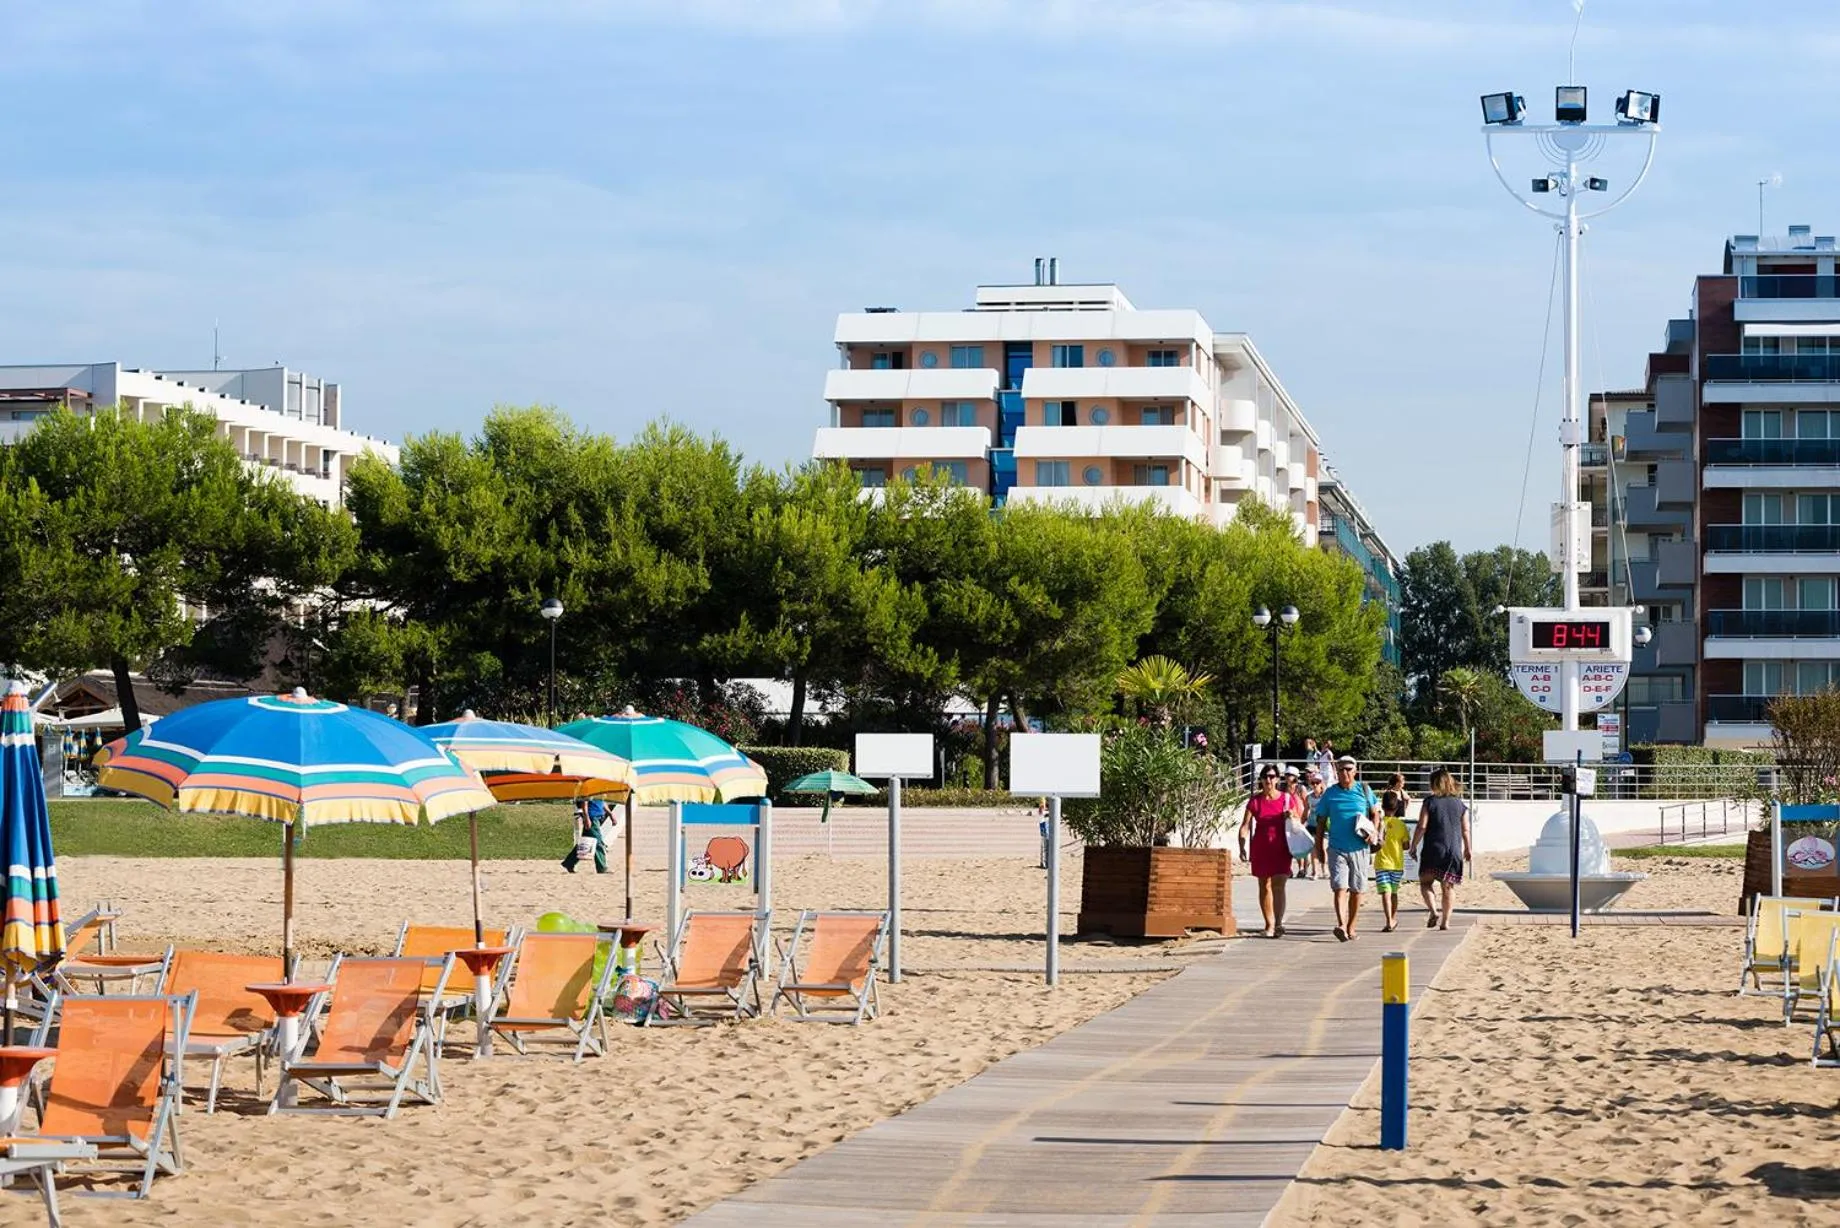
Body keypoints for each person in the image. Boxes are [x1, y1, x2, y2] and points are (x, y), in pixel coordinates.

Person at [1313, 755, 1381, 942]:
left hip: (1360, 847)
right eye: (1341, 769)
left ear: (1355, 771)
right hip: (1336, 847)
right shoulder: (1330, 793)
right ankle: (1341, 924)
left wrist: (1373, 832)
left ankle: (1351, 926)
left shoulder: (1364, 790)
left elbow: (1376, 814)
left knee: (1357, 889)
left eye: (1349, 769)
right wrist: (1319, 846)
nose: (1345, 773)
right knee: (1339, 887)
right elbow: (1320, 822)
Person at [1410, 767, 1471, 931]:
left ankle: (1433, 911)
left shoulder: (1429, 802)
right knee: (1448, 887)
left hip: (1433, 849)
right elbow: (1465, 829)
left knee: (1425, 883)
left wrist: (1413, 845)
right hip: (1453, 850)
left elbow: (1422, 826)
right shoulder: (1460, 804)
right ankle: (1445, 922)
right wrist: (1468, 848)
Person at [1239, 764, 1293, 938]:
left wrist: (1291, 816)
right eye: (1265, 777)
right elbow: (1245, 825)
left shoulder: (1286, 798)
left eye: (1271, 776)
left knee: (1279, 884)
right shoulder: (1255, 801)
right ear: (1261, 780)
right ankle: (1269, 924)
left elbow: (1298, 818)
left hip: (1281, 846)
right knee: (1264, 885)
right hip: (1261, 847)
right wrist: (1241, 845)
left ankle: (1278, 923)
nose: (1268, 780)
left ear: (1277, 779)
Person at [1373, 772, 1412, 933]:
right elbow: (1406, 846)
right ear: (1397, 808)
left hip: (1382, 863)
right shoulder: (1401, 825)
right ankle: (1393, 918)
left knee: (1385, 893)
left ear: (1382, 807)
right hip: (1397, 863)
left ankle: (1389, 920)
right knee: (1394, 892)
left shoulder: (1379, 822)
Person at [562, 798, 608, 874]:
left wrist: (610, 813)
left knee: (583, 843)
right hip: (591, 818)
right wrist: (587, 818)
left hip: (597, 817)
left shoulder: (601, 789)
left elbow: (602, 802)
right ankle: (602, 868)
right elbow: (585, 803)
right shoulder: (590, 788)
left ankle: (569, 863)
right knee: (598, 843)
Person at [1284, 766, 1310, 877]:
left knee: (1301, 844)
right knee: (1290, 845)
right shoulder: (1283, 788)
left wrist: (1305, 818)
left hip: (1300, 819)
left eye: (1290, 775)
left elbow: (1306, 804)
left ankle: (1302, 868)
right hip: (1289, 819)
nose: (1287, 777)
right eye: (1287, 775)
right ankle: (1289, 869)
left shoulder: (1300, 789)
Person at [1305, 770, 1330, 880]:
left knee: (1322, 847)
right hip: (1312, 824)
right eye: (1313, 783)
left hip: (1323, 825)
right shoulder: (1309, 797)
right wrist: (1301, 823)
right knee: (1313, 849)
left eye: (1317, 782)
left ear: (1321, 783)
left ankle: (1324, 869)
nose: (1315, 785)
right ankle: (1315, 871)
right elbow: (1306, 811)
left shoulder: (1326, 796)